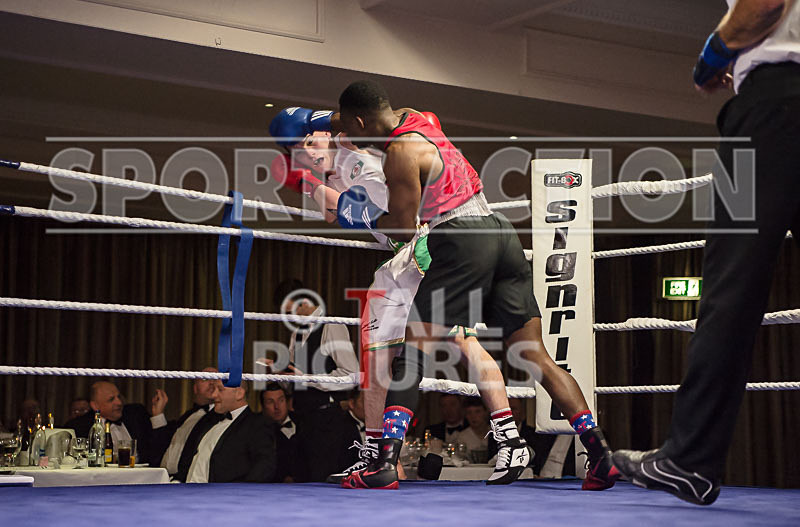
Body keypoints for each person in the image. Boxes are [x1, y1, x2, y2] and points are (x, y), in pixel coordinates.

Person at [333, 79, 619, 490]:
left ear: (361, 121)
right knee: (536, 355)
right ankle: (601, 454)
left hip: (460, 236)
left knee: (413, 350)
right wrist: (326, 119)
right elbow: (361, 114)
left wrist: (358, 217)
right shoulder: (418, 117)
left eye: (352, 128)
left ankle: (383, 464)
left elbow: (401, 226)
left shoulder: (399, 153)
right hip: (500, 231)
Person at [613, 0, 800, 506]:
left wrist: (715, 55)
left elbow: (763, 6)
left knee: (730, 285)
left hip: (773, 106)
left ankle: (691, 460)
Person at [270, 280, 362, 482]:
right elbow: (297, 377)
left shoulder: (332, 325)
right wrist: (278, 372)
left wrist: (308, 379)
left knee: (321, 485)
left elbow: (352, 375)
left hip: (327, 422)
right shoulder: (297, 332)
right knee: (303, 482)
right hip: (303, 421)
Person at [185, 381, 275, 483]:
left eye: (220, 389)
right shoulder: (210, 421)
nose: (214, 395)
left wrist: (238, 495)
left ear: (239, 393)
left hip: (221, 496)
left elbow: (265, 466)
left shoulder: (256, 425)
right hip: (189, 492)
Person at [64, 381, 169, 466]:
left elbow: (160, 450)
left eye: (119, 397)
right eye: (111, 399)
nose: (119, 402)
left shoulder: (136, 414)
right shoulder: (78, 427)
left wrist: (158, 414)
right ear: (95, 406)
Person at [158, 367, 218, 476]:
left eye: (216, 378)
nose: (212, 382)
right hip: (164, 478)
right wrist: (158, 413)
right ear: (195, 388)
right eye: (206, 379)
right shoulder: (187, 416)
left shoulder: (221, 417)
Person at [261, 383, 301, 482]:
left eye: (281, 400)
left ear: (287, 402)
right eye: (270, 402)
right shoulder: (259, 430)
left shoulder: (304, 421)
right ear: (262, 406)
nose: (277, 407)